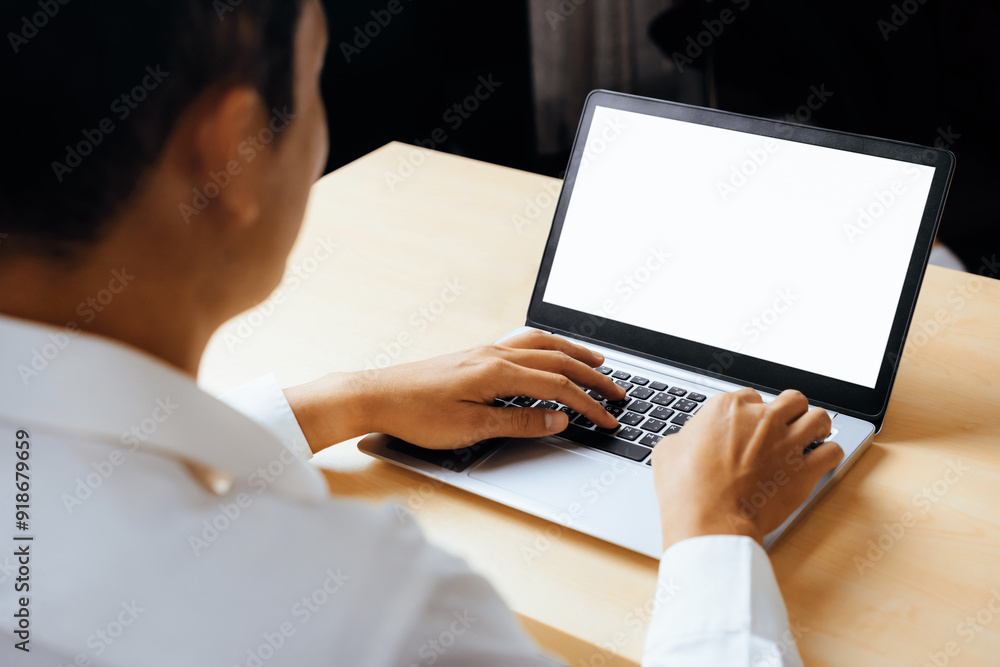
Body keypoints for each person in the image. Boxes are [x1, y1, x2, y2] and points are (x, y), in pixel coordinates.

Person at [0, 0, 844, 664]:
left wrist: (348, 400)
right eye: (318, 77)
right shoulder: (366, 608)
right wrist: (713, 526)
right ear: (233, 156)